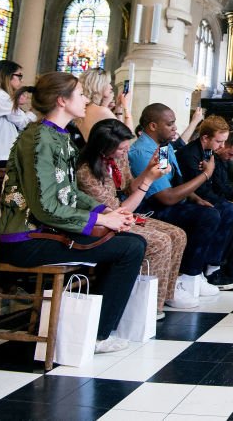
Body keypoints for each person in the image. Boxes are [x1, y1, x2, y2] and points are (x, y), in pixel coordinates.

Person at [0, 73, 146, 354]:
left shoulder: (59, 136)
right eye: (80, 94)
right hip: (28, 237)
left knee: (125, 237)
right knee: (130, 248)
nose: (86, 99)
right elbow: (45, 206)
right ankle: (98, 334)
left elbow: (70, 192)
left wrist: (106, 211)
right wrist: (101, 220)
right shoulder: (39, 139)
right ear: (62, 100)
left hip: (47, 230)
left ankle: (90, 325)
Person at [76, 118, 198, 315]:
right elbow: (120, 211)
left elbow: (129, 186)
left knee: (178, 234)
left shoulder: (118, 158)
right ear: (103, 148)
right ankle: (145, 307)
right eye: (121, 149)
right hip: (105, 222)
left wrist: (148, 170)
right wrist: (149, 181)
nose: (125, 153)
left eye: (126, 148)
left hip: (124, 214)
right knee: (160, 241)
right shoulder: (86, 172)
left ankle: (163, 295)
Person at [128, 103, 230, 298]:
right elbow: (166, 197)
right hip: (151, 208)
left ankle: (198, 272)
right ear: (153, 126)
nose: (175, 128)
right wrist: (206, 175)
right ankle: (186, 278)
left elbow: (173, 181)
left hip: (173, 202)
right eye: (170, 124)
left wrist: (195, 198)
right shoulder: (143, 152)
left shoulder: (163, 148)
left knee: (216, 210)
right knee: (207, 216)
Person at [177, 115, 233, 284]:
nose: (222, 146)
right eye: (219, 142)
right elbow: (199, 189)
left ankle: (228, 262)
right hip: (191, 200)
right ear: (206, 137)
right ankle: (211, 267)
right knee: (228, 211)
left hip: (205, 196)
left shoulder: (209, 153)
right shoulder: (190, 154)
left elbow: (218, 184)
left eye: (224, 142)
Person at [75, 68, 131, 143]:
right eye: (108, 83)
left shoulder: (84, 108)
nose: (111, 87)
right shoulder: (101, 111)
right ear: (98, 85)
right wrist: (126, 106)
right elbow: (126, 135)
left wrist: (118, 107)